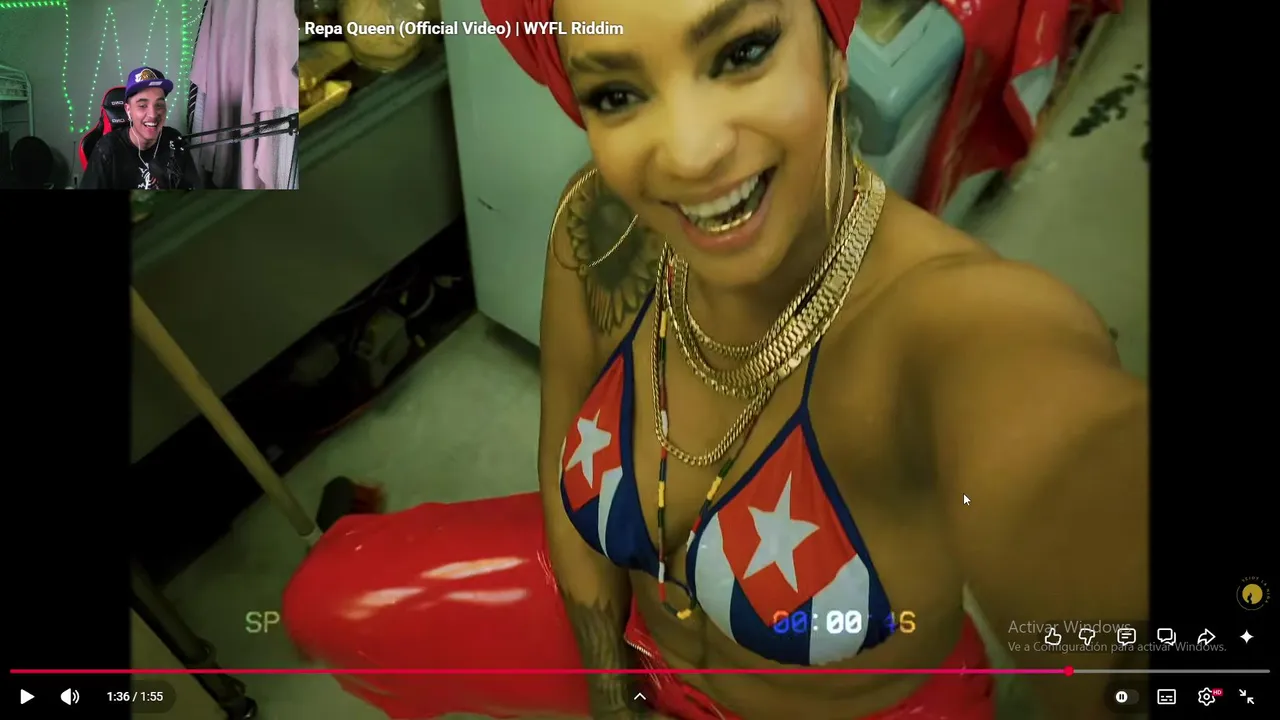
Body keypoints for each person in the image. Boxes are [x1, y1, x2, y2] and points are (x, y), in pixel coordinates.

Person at [281, 0, 1148, 718]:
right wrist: (612, 693)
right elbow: (560, 466)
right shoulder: (599, 229)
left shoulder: (948, 321)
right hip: (641, 661)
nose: (691, 154)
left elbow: (1067, 466)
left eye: (743, 51)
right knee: (327, 600)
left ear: (833, 48)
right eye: (618, 94)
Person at [80, 67, 203, 190]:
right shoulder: (107, 150)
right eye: (143, 105)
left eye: (159, 104)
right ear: (128, 110)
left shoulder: (174, 141)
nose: (153, 114)